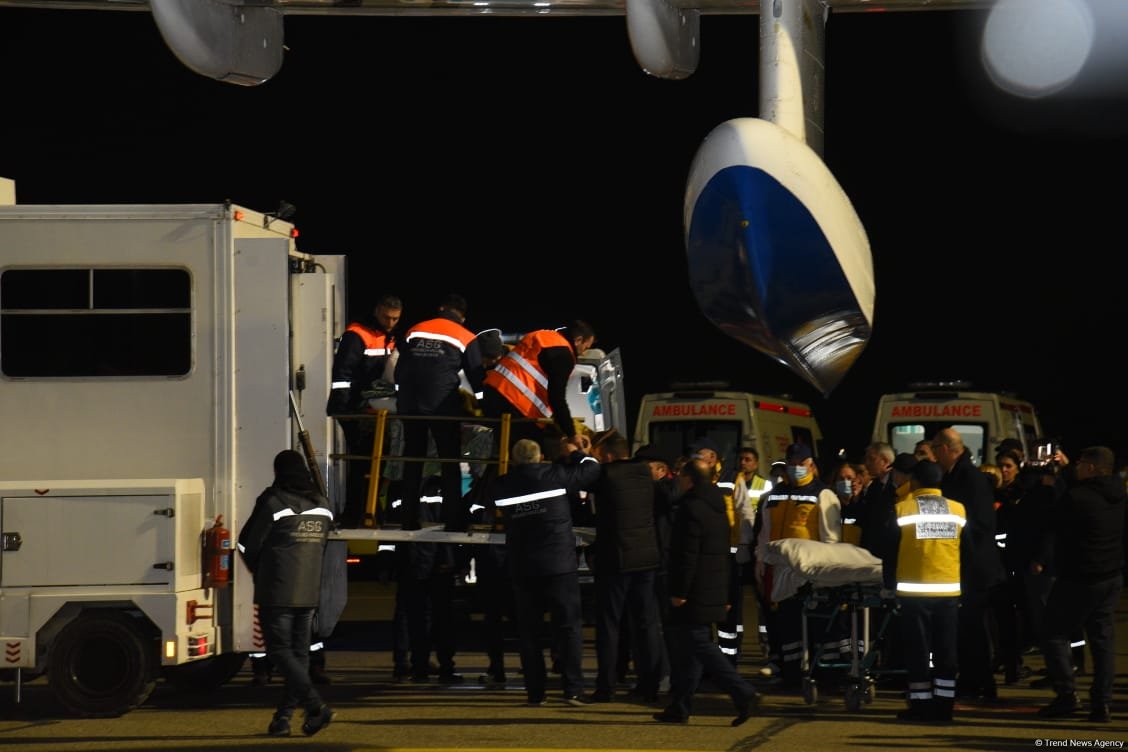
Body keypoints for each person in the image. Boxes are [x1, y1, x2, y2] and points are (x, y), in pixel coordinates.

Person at [486, 437, 602, 706]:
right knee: (569, 628)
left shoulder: (503, 485)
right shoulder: (555, 475)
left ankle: (535, 693)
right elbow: (593, 469)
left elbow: (491, 503)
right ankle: (572, 689)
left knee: (530, 633)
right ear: (539, 457)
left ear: (514, 459)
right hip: (559, 566)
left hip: (523, 566)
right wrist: (575, 452)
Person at [653, 459, 760, 726]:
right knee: (686, 649)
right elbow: (722, 552)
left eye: (680, 476)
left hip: (693, 590)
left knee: (697, 643)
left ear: (689, 478)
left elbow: (686, 556)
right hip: (711, 586)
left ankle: (742, 692)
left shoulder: (691, 508)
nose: (677, 480)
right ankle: (680, 705)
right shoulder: (717, 505)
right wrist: (723, 594)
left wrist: (679, 591)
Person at [237, 450, 335, 737]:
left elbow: (246, 544)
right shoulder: (323, 505)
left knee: (279, 651)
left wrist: (261, 570)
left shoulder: (273, 501)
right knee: (299, 655)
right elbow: (322, 547)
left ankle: (316, 707)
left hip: (276, 590)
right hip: (308, 590)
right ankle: (283, 718)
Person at [1037, 446, 1125, 723]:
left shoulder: (1077, 497)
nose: (1075, 466)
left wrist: (1052, 486)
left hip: (1079, 576)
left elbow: (1053, 521)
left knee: (1053, 632)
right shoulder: (1119, 495)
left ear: (1090, 467)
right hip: (1110, 575)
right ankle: (1102, 704)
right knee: (1102, 642)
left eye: (1079, 463)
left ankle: (1066, 695)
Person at [395, 293, 486, 532]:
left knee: (413, 460)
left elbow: (400, 369)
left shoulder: (415, 329)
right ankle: (453, 519)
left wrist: (401, 397)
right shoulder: (465, 336)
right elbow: (477, 378)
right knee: (449, 460)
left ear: (442, 308)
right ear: (462, 317)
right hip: (441, 407)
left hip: (409, 405)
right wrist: (484, 406)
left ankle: (407, 519)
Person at [754, 442, 842, 688]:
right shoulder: (773, 495)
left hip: (809, 571)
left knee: (816, 625)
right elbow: (764, 533)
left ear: (811, 465)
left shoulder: (823, 494)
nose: (795, 469)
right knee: (786, 625)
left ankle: (823, 676)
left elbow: (831, 537)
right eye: (791, 464)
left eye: (800, 464)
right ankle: (790, 675)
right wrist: (760, 562)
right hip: (780, 570)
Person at [931, 427, 1006, 702]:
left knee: (972, 628)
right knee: (966, 628)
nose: (934, 455)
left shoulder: (970, 479)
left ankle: (982, 684)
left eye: (936, 448)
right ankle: (975, 681)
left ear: (949, 449)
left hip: (974, 568)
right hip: (965, 565)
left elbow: (981, 524)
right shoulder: (955, 476)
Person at [888, 460, 966, 723]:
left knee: (917, 651)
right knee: (946, 651)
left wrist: (890, 585)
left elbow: (887, 548)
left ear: (915, 482)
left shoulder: (902, 509)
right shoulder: (958, 510)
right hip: (948, 590)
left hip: (914, 593)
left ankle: (920, 707)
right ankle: (945, 708)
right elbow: (969, 547)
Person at [587, 431, 663, 703]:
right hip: (646, 558)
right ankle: (649, 684)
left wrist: (579, 453)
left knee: (609, 625)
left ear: (607, 454)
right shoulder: (644, 472)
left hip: (615, 560)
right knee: (646, 624)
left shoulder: (605, 475)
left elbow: (578, 477)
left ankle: (606, 686)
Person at [327, 293, 402, 527]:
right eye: (387, 317)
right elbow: (342, 374)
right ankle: (356, 514)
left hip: (368, 406)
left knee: (369, 461)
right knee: (362, 462)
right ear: (377, 311)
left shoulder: (386, 337)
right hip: (354, 408)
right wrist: (345, 407)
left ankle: (366, 511)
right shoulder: (357, 335)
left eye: (395, 319)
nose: (390, 323)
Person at [480, 320, 597, 453]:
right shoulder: (564, 355)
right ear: (578, 340)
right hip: (517, 406)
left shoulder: (542, 336)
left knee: (501, 455)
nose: (583, 353)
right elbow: (556, 398)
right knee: (526, 456)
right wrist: (571, 434)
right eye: (585, 348)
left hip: (492, 393)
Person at [732, 447, 773, 666]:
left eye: (748, 459)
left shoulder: (765, 485)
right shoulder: (731, 482)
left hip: (757, 545)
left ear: (756, 464)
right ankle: (736, 646)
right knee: (737, 602)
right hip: (739, 546)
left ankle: (765, 644)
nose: (743, 462)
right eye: (740, 458)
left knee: (761, 602)